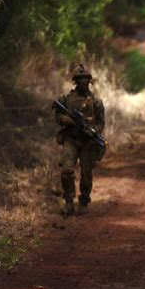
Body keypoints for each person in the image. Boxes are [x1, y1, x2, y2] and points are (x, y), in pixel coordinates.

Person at [54, 64, 105, 216]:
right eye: (80, 79)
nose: (83, 81)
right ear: (75, 81)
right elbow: (57, 114)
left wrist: (93, 131)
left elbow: (101, 123)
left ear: (89, 80)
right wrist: (64, 119)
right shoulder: (66, 99)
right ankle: (69, 201)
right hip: (71, 139)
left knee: (86, 173)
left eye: (85, 79)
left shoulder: (96, 102)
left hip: (88, 142)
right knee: (67, 170)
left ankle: (84, 201)